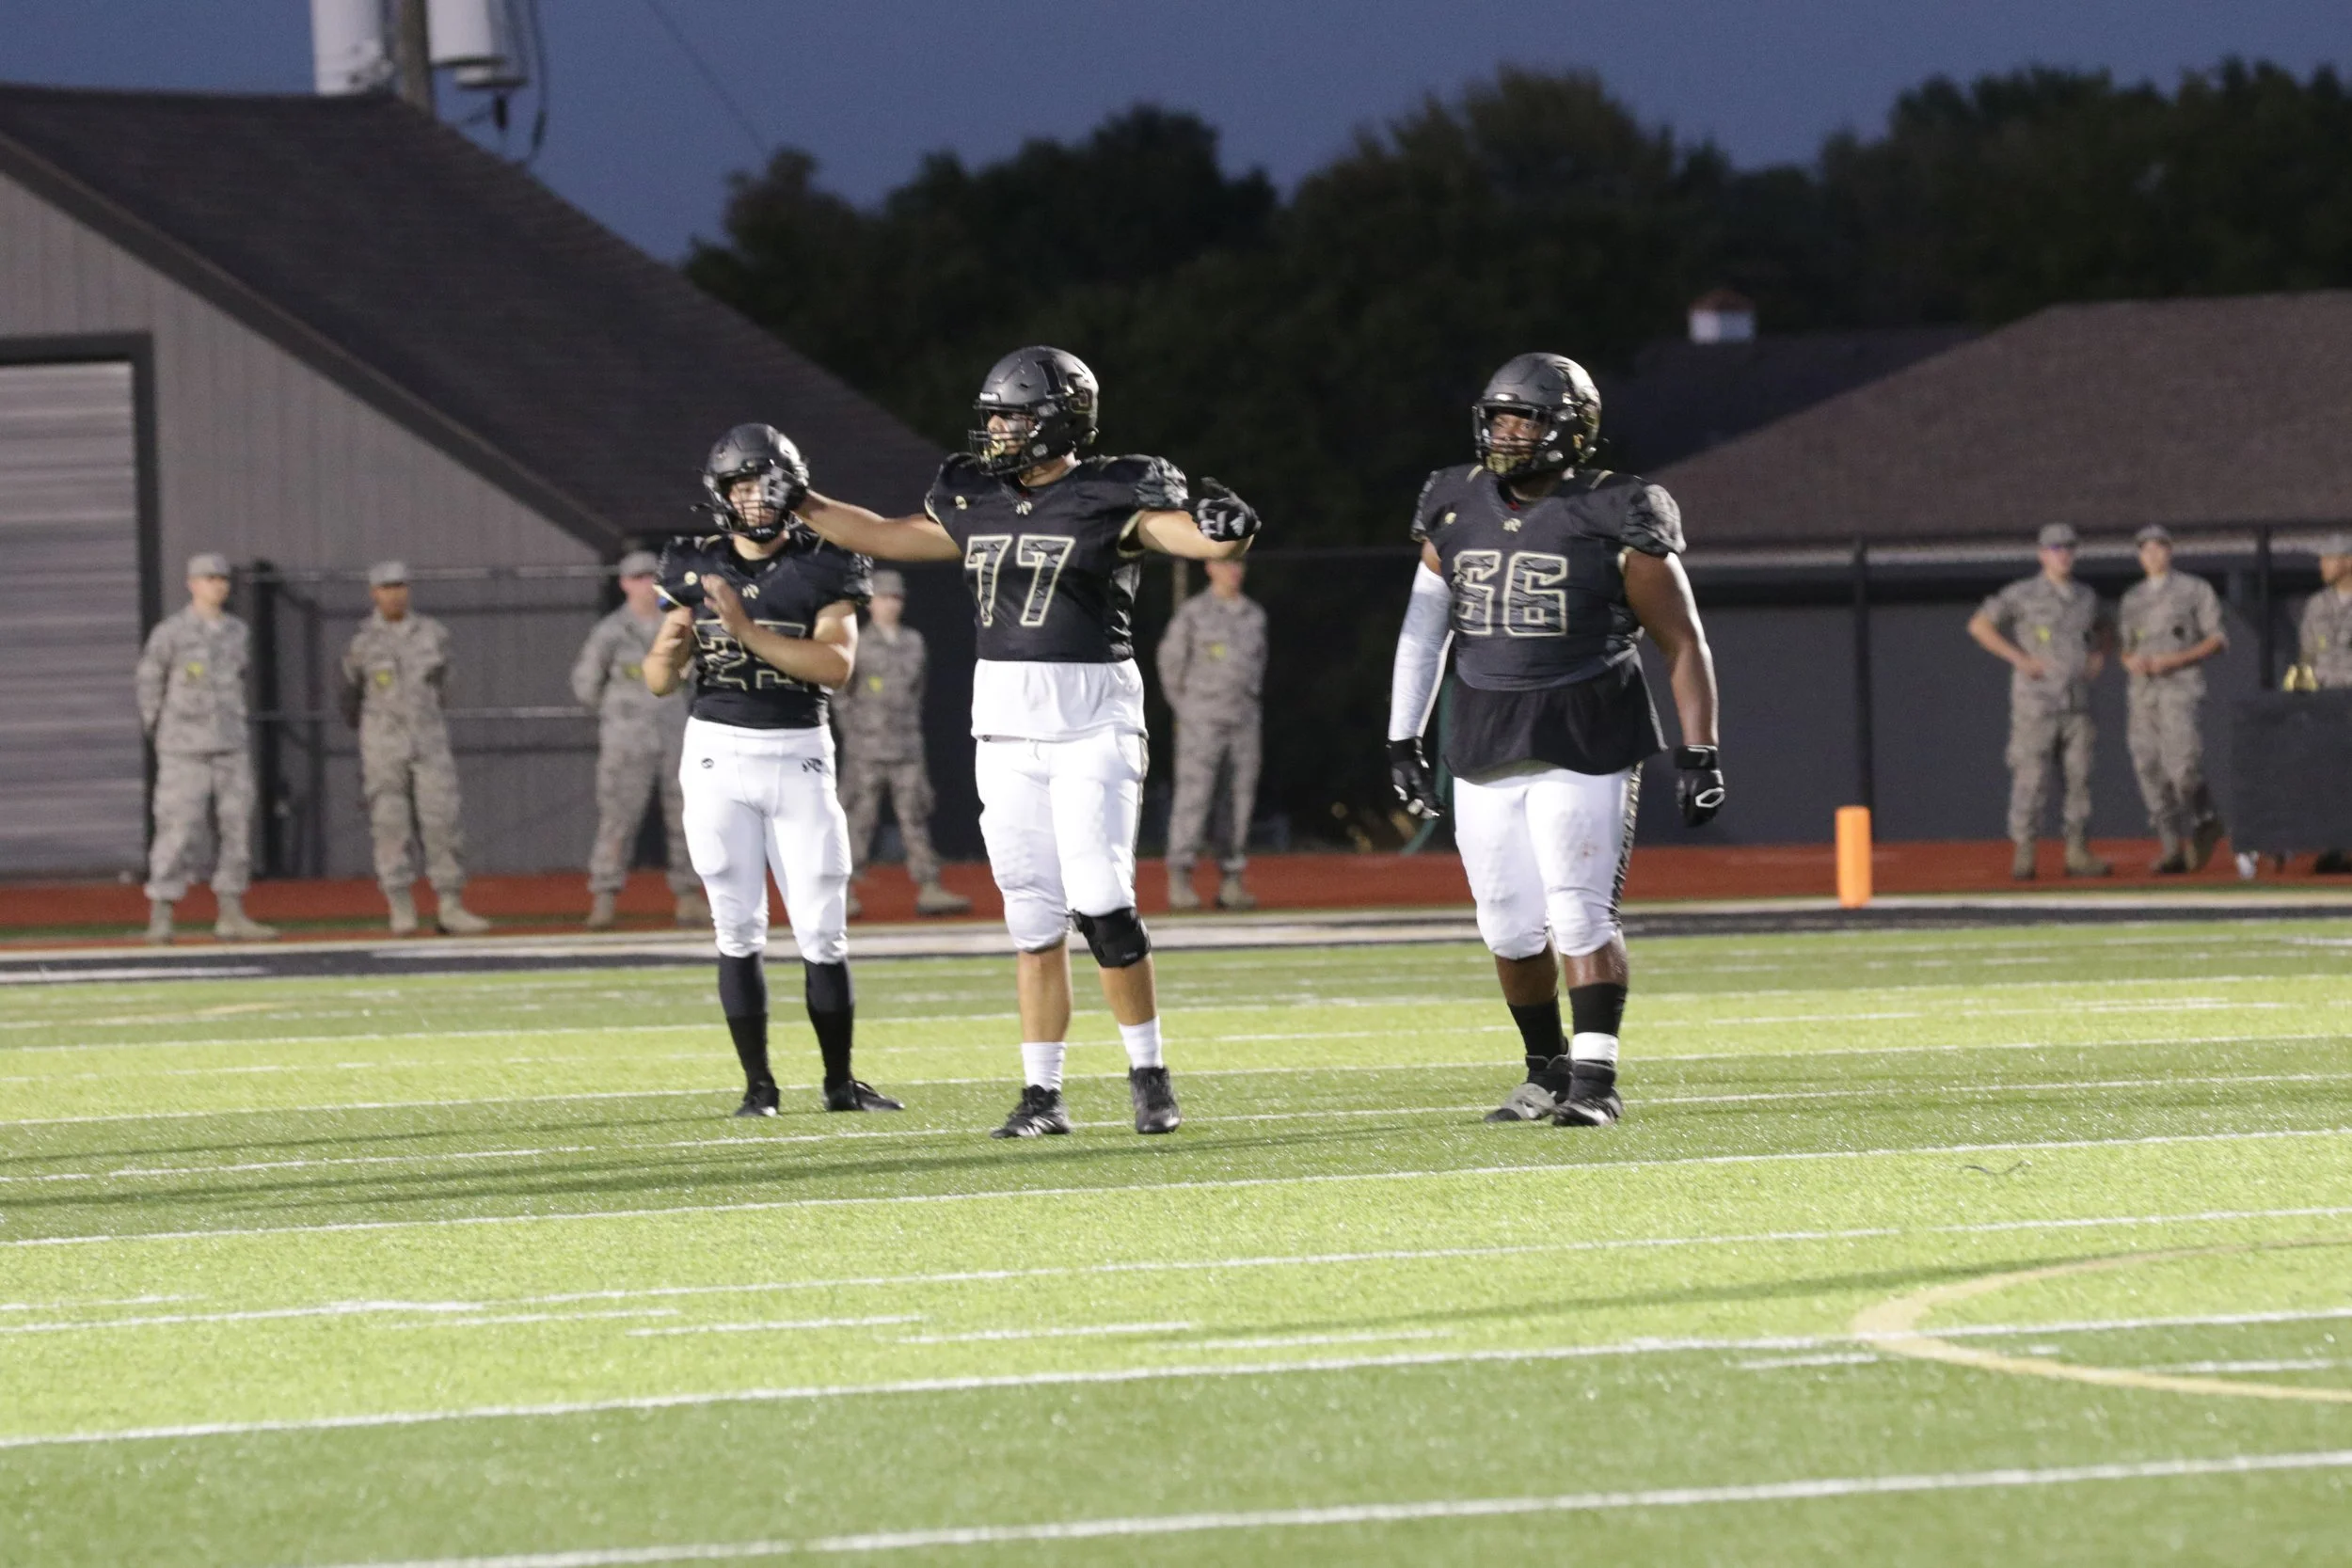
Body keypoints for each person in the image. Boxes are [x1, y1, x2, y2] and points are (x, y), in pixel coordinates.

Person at [797, 345, 1259, 1139]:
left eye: (1013, 418)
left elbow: (1187, 535)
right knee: (1033, 920)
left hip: (1092, 723)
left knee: (1102, 902)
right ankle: (1042, 1093)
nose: (999, 432)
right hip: (1005, 730)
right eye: (996, 418)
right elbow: (885, 534)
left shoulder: (1111, 490)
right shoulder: (974, 495)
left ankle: (1148, 1072)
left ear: (1059, 421)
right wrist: (801, 500)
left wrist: (1228, 534)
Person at [1387, 353, 1723, 1129]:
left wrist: (1700, 750)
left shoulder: (1618, 507)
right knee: (1505, 923)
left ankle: (1597, 1080)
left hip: (1586, 728)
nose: (1507, 432)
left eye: (1525, 418)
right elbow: (1423, 632)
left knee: (1578, 911)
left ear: (1570, 429)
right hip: (1483, 732)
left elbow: (1682, 640)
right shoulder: (1452, 500)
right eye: (1499, 417)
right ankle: (1547, 1068)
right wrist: (1402, 738)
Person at [643, 423, 900, 1117]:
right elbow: (659, 681)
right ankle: (759, 1088)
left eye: (766, 484)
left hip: (798, 753)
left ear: (792, 488)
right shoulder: (692, 563)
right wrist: (669, 648)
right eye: (741, 486)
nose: (754, 498)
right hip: (716, 753)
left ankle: (840, 1083)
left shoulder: (826, 563)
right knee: (735, 927)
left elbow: (835, 667)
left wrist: (745, 631)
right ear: (720, 494)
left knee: (822, 928)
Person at [339, 561, 492, 935]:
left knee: (443, 822)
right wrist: (378, 730)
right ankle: (401, 907)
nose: (394, 594)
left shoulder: (433, 635)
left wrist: (424, 720)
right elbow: (348, 697)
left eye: (400, 586)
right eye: (386, 588)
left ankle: (450, 906)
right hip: (384, 748)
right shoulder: (361, 644)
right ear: (374, 593)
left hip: (429, 744)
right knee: (390, 825)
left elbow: (446, 685)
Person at [135, 552, 278, 943]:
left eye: (222, 579)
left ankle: (231, 914)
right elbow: (149, 681)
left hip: (230, 745)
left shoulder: (237, 632)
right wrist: (159, 730)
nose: (218, 585)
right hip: (185, 748)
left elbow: (241, 677)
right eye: (209, 579)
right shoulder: (171, 633)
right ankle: (162, 915)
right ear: (192, 584)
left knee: (236, 831)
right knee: (178, 829)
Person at [1967, 523, 2115, 879]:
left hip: (2077, 704)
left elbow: (2106, 627)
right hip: (2037, 704)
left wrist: (2099, 655)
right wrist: (2018, 658)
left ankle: (2077, 851)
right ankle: (2025, 851)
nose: (2062, 555)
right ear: (2042, 554)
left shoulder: (2085, 596)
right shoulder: (2023, 594)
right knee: (2031, 779)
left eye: (2068, 548)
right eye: (2054, 549)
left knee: (2079, 779)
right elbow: (1980, 625)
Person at [571, 549, 705, 929]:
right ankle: (605, 898)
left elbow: (698, 679)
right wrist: (620, 715)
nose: (646, 585)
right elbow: (585, 684)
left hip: (675, 737)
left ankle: (688, 896)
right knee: (618, 819)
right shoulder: (611, 632)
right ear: (624, 584)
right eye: (638, 578)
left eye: (652, 577)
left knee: (686, 817)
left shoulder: (679, 626)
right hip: (626, 742)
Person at [834, 568, 971, 919]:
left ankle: (930, 887)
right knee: (858, 822)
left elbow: (917, 693)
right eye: (884, 597)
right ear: (870, 602)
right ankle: (843, 891)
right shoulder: (857, 642)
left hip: (906, 747)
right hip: (866, 750)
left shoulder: (913, 641)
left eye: (896, 597)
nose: (891, 604)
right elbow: (841, 697)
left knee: (916, 819)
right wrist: (856, 735)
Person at [1157, 558, 1267, 911]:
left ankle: (1231, 881)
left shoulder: (1254, 615)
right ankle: (1181, 878)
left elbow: (1257, 666)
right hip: (1201, 722)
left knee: (1238, 800)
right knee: (1194, 797)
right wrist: (1187, 709)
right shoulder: (1193, 613)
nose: (1234, 570)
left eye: (1239, 563)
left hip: (1243, 721)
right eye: (1226, 563)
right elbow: (1170, 663)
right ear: (1210, 567)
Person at [2117, 524, 2228, 873]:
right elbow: (2126, 647)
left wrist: (2176, 659)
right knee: (2149, 768)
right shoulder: (2132, 598)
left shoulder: (2194, 590)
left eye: (2159, 547)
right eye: (2146, 549)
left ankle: (2205, 818)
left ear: (2170, 550)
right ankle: (2170, 846)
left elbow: (2217, 639)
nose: (2153, 555)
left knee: (2183, 767)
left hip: (2179, 688)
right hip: (2142, 693)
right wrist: (2129, 660)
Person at [2298, 531, 2352, 873]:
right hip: (2326, 701)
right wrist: (2301, 699)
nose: (2323, 566)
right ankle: (2336, 845)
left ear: (2348, 562)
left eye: (2329, 559)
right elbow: (2307, 655)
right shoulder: (2316, 605)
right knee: (2330, 775)